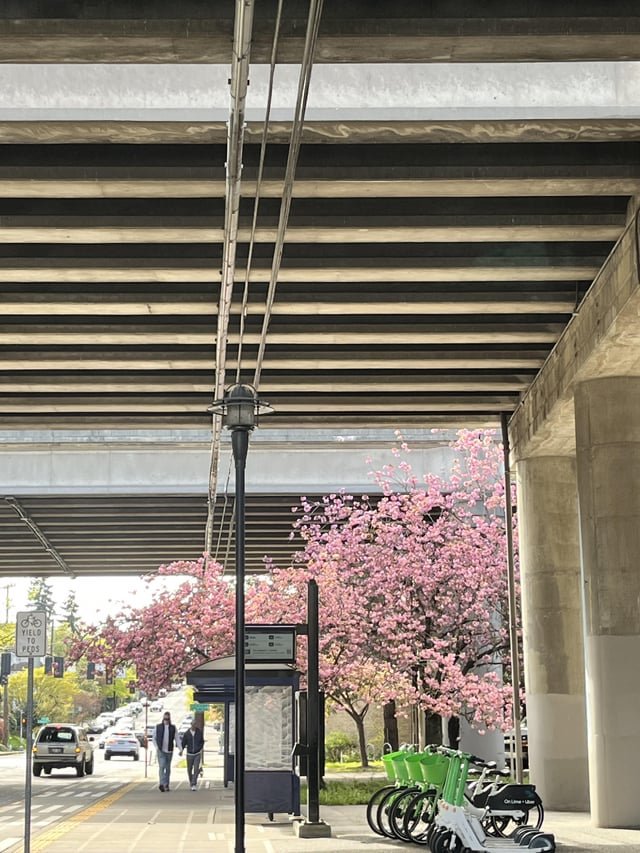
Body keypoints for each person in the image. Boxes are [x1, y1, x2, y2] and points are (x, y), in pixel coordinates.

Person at [153, 711, 180, 792]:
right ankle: (162, 783)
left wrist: (181, 749)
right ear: (163, 718)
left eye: (167, 719)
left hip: (169, 751)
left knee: (167, 768)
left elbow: (177, 739)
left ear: (169, 719)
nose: (166, 720)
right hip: (161, 750)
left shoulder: (173, 728)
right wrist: (157, 747)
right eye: (165, 719)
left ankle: (166, 784)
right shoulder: (158, 727)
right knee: (162, 766)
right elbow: (154, 738)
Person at [180, 719, 205, 790]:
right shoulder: (187, 733)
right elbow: (183, 743)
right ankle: (191, 782)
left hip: (197, 753)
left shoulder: (199, 732)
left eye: (195, 724)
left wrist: (199, 748)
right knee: (189, 769)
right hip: (189, 754)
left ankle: (194, 783)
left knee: (196, 768)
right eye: (193, 724)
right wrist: (181, 750)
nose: (194, 726)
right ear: (191, 725)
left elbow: (202, 741)